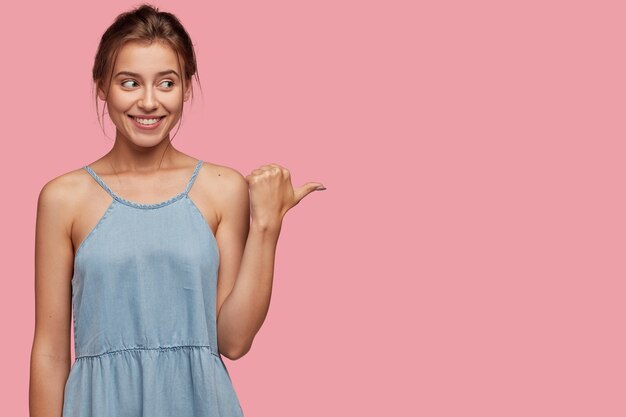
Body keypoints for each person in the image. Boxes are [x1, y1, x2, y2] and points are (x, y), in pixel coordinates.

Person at [28, 4, 325, 416]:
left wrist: (267, 226)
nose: (148, 102)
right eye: (129, 83)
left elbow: (233, 341)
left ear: (187, 87)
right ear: (101, 86)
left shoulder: (222, 189)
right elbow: (49, 351)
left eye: (166, 83)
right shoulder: (63, 198)